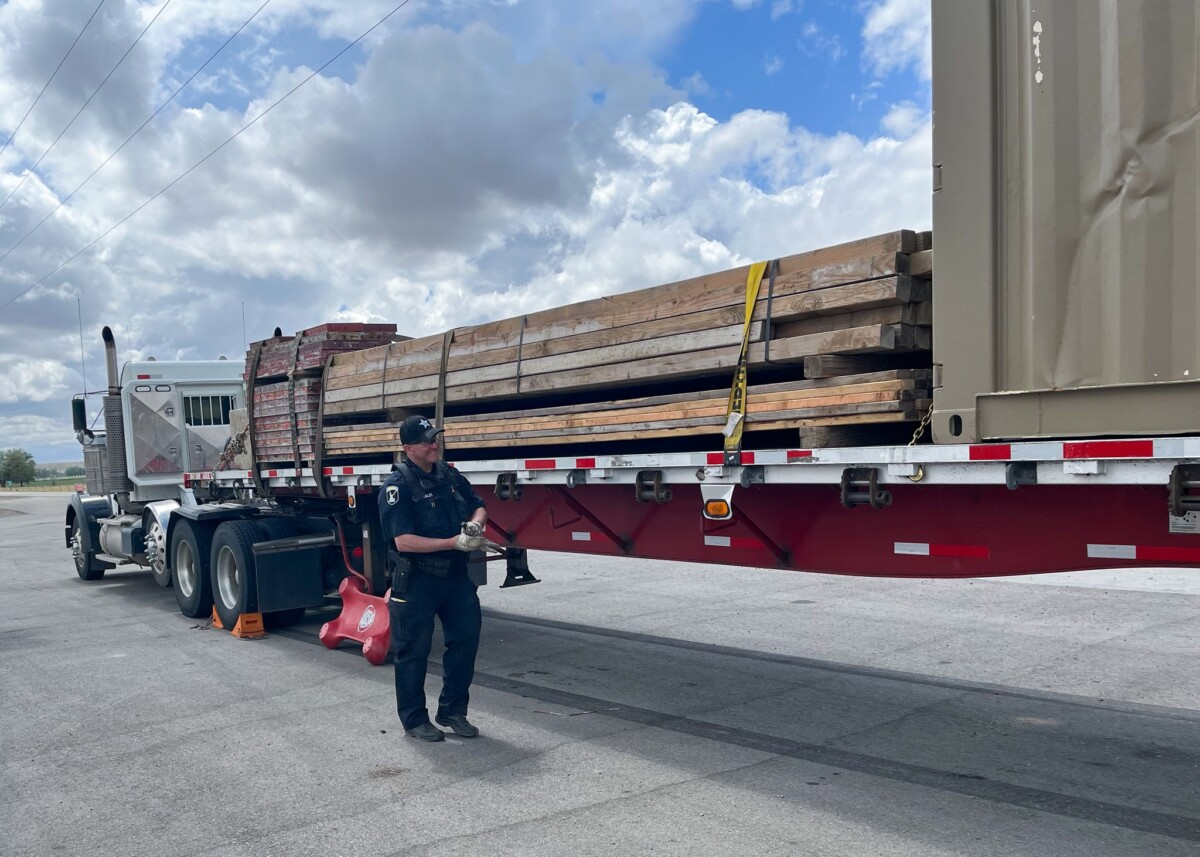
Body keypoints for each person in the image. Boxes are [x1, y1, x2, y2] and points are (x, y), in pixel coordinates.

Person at [379, 414, 489, 742]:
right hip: (417, 579)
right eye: (426, 441)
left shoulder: (449, 476)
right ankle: (414, 720)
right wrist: (452, 542)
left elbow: (479, 505)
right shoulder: (397, 487)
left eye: (435, 438)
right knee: (413, 651)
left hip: (455, 577)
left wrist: (476, 524)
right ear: (408, 448)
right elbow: (404, 541)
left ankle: (452, 711)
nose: (434, 445)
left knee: (466, 640)